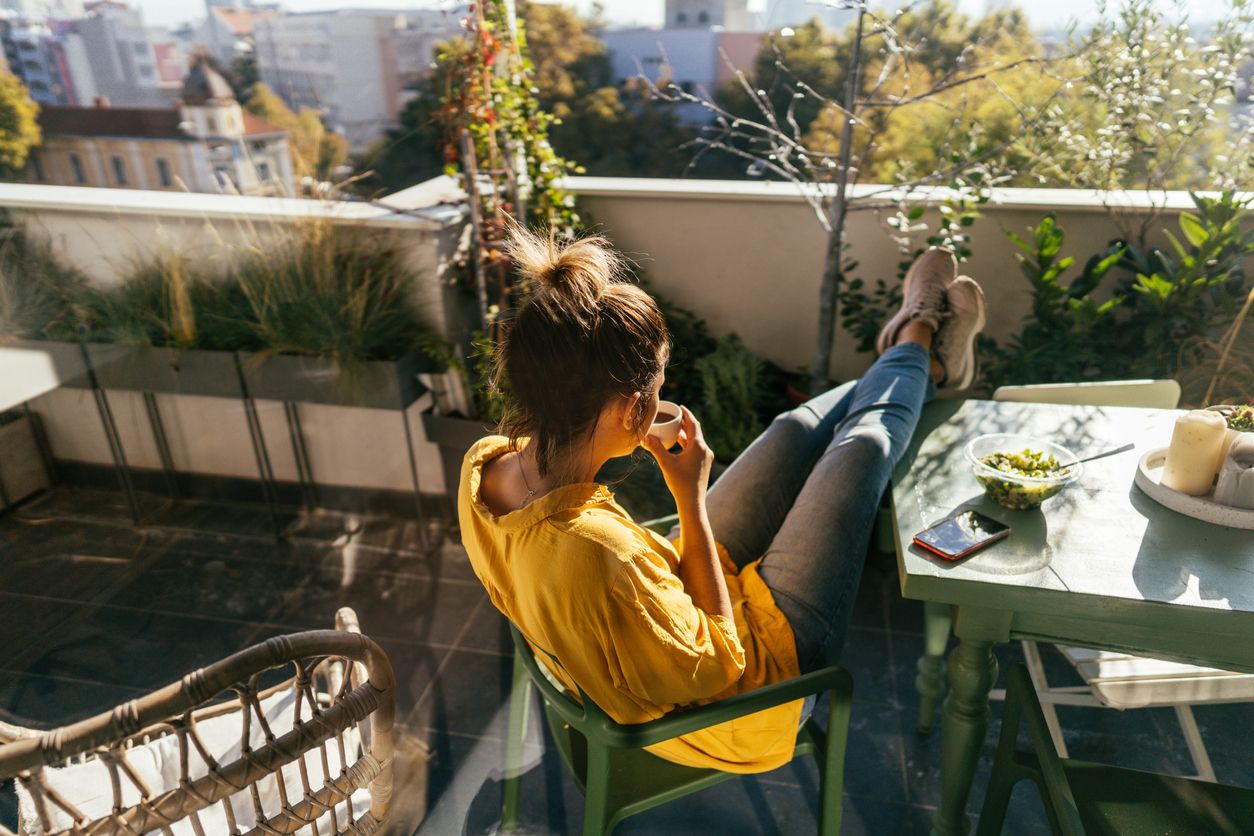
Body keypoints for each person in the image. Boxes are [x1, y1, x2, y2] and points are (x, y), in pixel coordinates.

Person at [458, 226, 985, 772]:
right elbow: (721, 666)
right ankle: (921, 344)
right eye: (657, 388)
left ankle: (916, 353)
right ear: (629, 410)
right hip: (748, 698)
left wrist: (628, 437)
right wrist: (690, 496)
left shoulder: (486, 463)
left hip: (661, 609)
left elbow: (617, 578)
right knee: (862, 449)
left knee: (791, 427)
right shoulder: (602, 551)